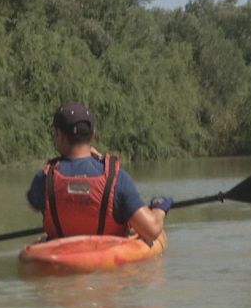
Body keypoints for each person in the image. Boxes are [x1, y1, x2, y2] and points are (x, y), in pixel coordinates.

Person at [26, 102, 170, 242]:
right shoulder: (117, 179)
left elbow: (34, 203)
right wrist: (159, 208)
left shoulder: (43, 178)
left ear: (60, 136)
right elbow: (152, 231)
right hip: (110, 260)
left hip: (58, 259)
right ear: (93, 135)